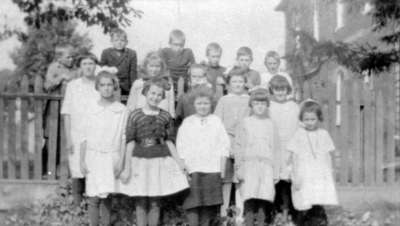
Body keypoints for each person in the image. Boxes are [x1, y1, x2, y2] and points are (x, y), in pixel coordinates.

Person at [118, 77, 189, 226]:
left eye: (159, 95)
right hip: (140, 161)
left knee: (156, 200)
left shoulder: (165, 116)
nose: (155, 97)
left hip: (159, 160)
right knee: (141, 199)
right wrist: (127, 167)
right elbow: (130, 141)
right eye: (152, 93)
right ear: (145, 93)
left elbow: (169, 140)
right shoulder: (135, 115)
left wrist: (179, 162)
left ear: (163, 97)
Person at [79, 71, 128, 226]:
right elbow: (83, 136)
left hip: (111, 156)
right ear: (97, 87)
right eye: (103, 85)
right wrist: (81, 160)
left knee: (106, 197)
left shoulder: (121, 110)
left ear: (114, 87)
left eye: (109, 85)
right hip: (93, 156)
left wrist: (121, 161)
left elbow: (124, 137)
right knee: (93, 197)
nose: (106, 88)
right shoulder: (89, 108)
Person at [176, 88, 230, 226]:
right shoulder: (188, 122)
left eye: (206, 103)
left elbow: (224, 146)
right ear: (194, 105)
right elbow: (181, 146)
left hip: (212, 168)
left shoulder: (216, 121)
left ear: (211, 104)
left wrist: (222, 170)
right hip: (193, 168)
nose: (202, 106)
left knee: (208, 202)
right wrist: (183, 167)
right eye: (199, 103)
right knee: (193, 202)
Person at [233, 88, 280, 226]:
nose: (260, 106)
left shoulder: (271, 124)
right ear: (251, 105)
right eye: (256, 103)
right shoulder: (245, 122)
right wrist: (239, 167)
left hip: (266, 166)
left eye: (263, 104)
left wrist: (276, 171)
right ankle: (248, 223)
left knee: (263, 198)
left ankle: (261, 222)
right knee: (249, 197)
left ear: (267, 105)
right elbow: (239, 146)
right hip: (249, 166)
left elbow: (276, 149)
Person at [288, 100, 338, 226]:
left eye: (313, 119)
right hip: (304, 174)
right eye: (306, 119)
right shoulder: (299, 134)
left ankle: (319, 222)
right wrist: (294, 175)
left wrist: (330, 172)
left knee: (317, 200)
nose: (310, 122)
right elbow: (293, 156)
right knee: (304, 201)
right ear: (302, 119)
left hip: (319, 174)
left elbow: (328, 155)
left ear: (319, 118)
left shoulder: (323, 134)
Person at [61, 53, 100, 206]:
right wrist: (69, 139)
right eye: (85, 64)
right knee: (77, 169)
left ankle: (91, 208)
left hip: (95, 134)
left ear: (95, 65)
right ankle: (77, 208)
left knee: (93, 169)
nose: (88, 67)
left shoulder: (100, 84)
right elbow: (67, 113)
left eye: (91, 63)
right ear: (80, 67)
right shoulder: (73, 86)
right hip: (77, 134)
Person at [214, 68, 250, 218]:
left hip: (243, 142)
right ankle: (223, 215)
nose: (237, 84)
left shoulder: (248, 99)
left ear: (245, 83)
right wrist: (226, 144)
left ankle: (239, 216)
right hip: (226, 141)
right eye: (234, 81)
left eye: (240, 81)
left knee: (241, 178)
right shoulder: (224, 100)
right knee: (227, 179)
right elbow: (217, 122)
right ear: (228, 84)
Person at [268, 75, 300, 219]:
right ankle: (274, 211)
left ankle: (287, 210)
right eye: (277, 89)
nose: (280, 93)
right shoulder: (269, 106)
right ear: (272, 90)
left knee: (287, 180)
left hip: (288, 147)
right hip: (274, 147)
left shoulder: (293, 106)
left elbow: (298, 126)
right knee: (274, 179)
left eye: (283, 89)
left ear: (287, 90)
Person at [127, 51, 175, 117]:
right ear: (146, 66)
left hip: (161, 118)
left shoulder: (167, 84)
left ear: (162, 68)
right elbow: (131, 105)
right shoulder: (138, 83)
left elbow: (171, 105)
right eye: (151, 66)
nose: (154, 69)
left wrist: (171, 117)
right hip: (141, 118)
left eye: (157, 66)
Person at [100, 28, 138, 96]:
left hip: (126, 87)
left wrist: (134, 88)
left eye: (122, 40)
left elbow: (133, 72)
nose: (119, 42)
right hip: (110, 85)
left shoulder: (132, 53)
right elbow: (102, 71)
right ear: (111, 41)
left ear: (126, 42)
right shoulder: (106, 52)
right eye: (116, 40)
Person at [160, 29, 195, 98]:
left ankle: (180, 100)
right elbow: (162, 66)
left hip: (182, 81)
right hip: (169, 79)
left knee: (182, 82)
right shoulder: (165, 52)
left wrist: (190, 71)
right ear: (170, 43)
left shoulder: (188, 52)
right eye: (175, 45)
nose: (178, 48)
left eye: (181, 45)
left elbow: (194, 66)